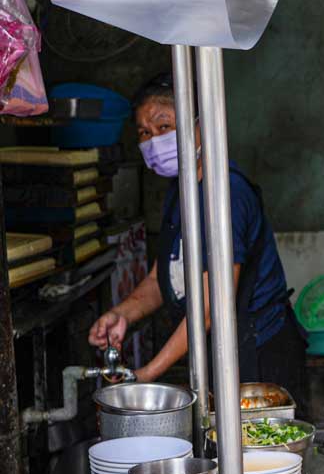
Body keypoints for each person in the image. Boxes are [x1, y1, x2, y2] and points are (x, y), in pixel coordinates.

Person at [88, 73, 307, 410]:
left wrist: (147, 374)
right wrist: (123, 314)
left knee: (264, 453)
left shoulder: (226, 194)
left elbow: (210, 306)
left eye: (164, 127)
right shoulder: (182, 190)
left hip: (260, 353)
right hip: (219, 351)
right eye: (144, 133)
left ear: (201, 126)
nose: (152, 141)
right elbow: (165, 279)